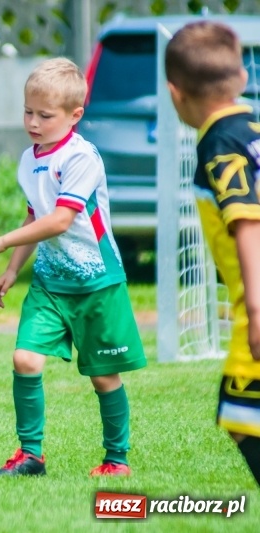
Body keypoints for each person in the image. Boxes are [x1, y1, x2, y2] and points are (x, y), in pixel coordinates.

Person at [0, 57, 147, 478]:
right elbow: (36, 216)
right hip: (51, 284)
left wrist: (0, 242)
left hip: (96, 284)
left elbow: (61, 219)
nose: (33, 122)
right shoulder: (28, 158)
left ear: (75, 116)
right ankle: (30, 455)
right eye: (28, 112)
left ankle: (116, 460)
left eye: (44, 115)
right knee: (25, 359)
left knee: (104, 378)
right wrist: (13, 270)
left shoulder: (82, 157)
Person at [165, 20, 260, 486]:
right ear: (242, 76)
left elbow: (247, 221)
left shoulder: (219, 143)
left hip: (255, 319)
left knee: (244, 419)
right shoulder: (252, 128)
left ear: (174, 94)